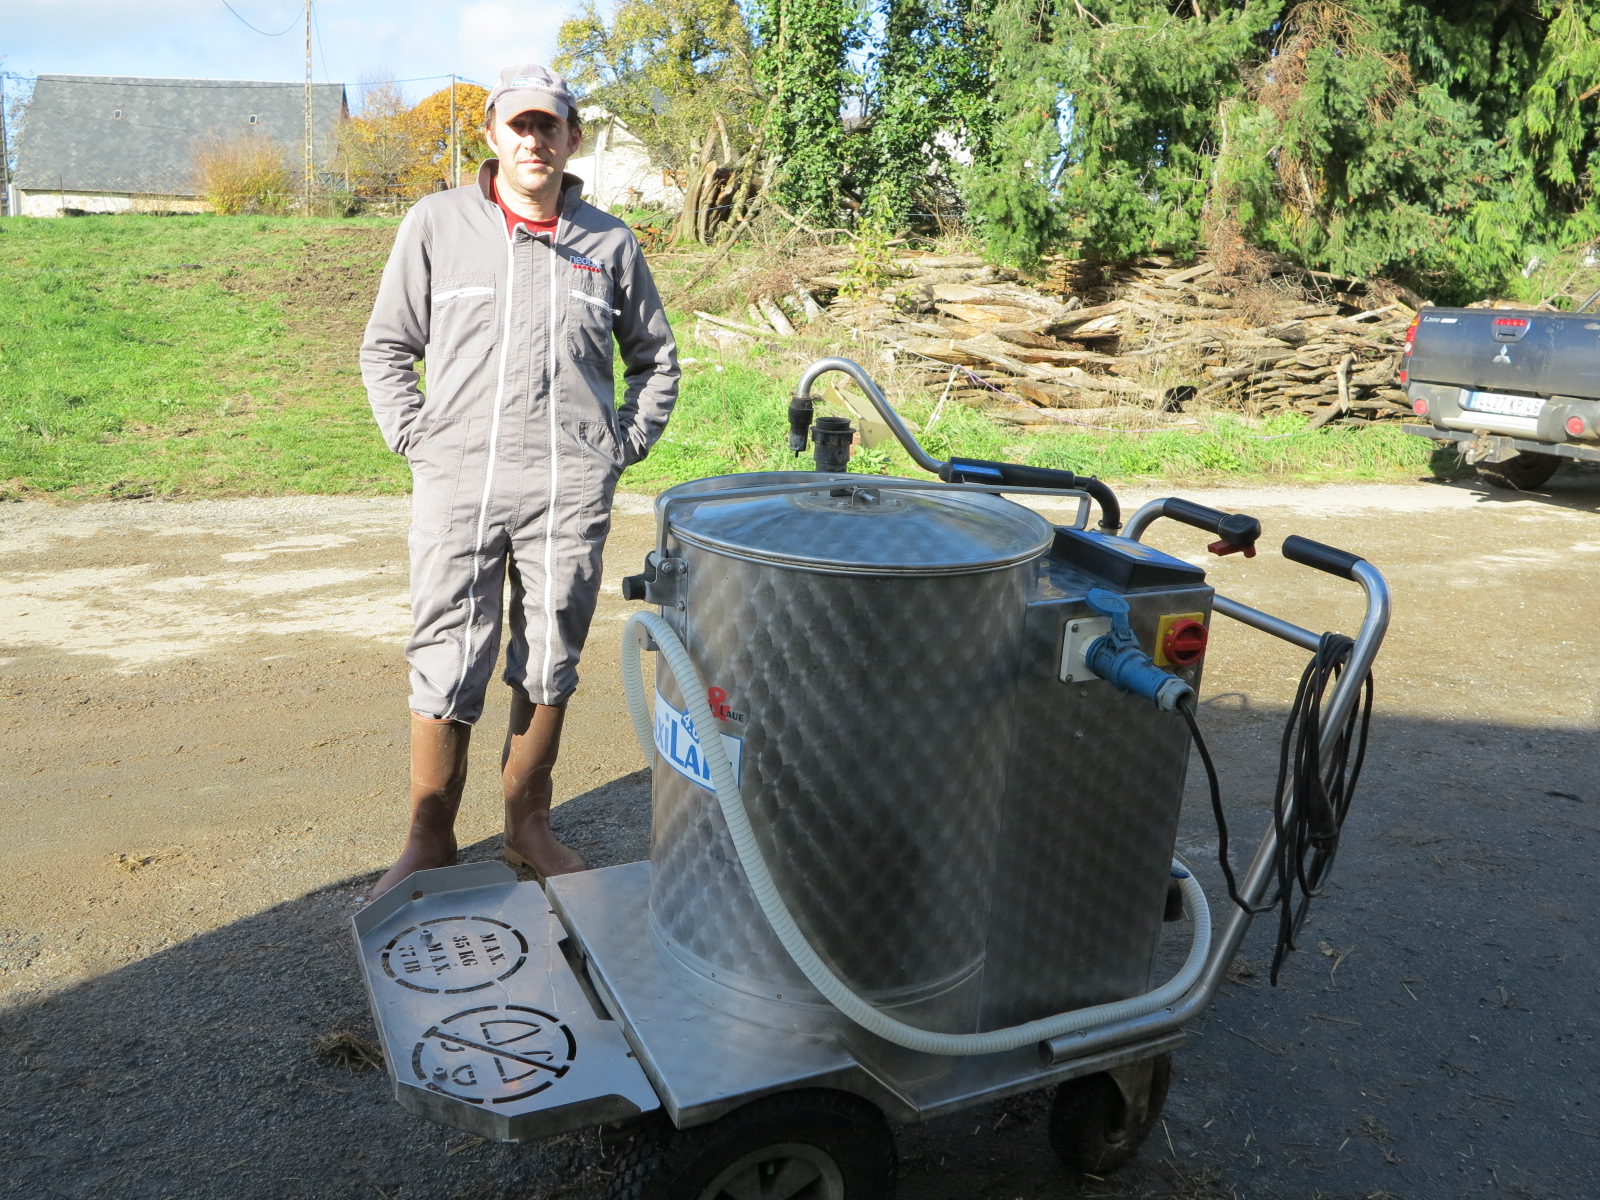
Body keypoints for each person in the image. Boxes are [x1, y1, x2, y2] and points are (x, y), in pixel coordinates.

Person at [359, 64, 678, 900]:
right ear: (493, 137)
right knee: (447, 648)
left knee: (550, 651)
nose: (533, 141)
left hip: (568, 488)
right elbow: (387, 346)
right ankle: (430, 837)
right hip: (456, 480)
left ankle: (527, 826)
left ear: (572, 140)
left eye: (550, 127)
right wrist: (416, 438)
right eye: (518, 126)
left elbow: (656, 360)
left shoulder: (608, 243)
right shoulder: (437, 224)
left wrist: (617, 447)